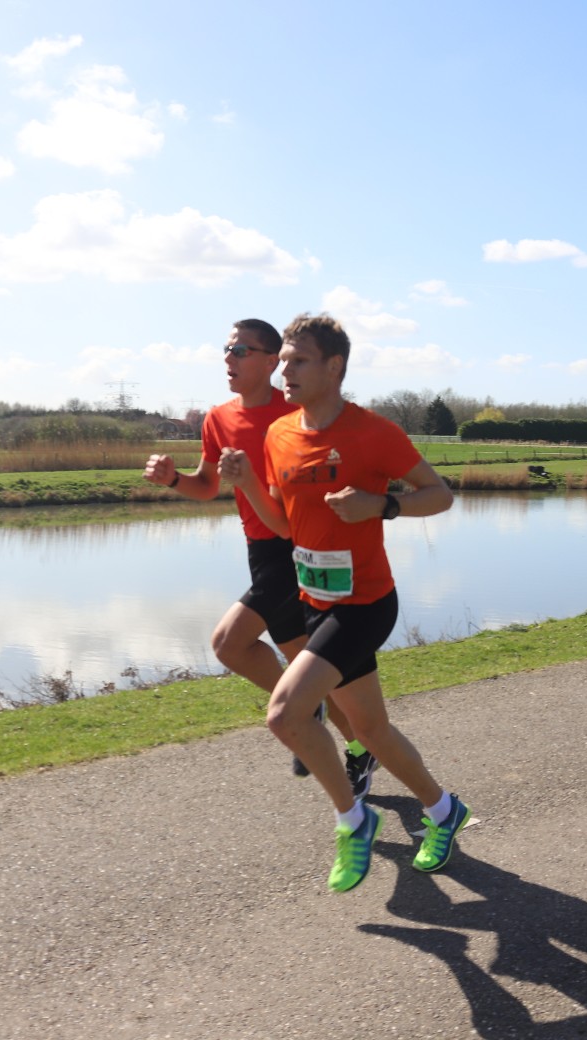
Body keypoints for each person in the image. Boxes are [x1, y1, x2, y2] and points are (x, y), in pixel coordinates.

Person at [220, 312, 469, 893]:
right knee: (371, 729)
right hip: (315, 599)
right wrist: (248, 483)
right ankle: (443, 810)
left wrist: (382, 505)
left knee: (285, 714)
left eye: (299, 360)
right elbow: (285, 525)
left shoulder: (373, 433)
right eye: (283, 360)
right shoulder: (281, 434)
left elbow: (440, 495)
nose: (286, 371)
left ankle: (353, 820)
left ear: (334, 366)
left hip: (365, 604)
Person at [143, 318, 379, 797]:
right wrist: (173, 479)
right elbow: (207, 485)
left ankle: (314, 715)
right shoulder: (218, 418)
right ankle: (355, 744)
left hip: (300, 549)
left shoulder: (294, 411)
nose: (228, 358)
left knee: (229, 643)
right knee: (311, 668)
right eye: (226, 348)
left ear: (272, 362)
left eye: (240, 350)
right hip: (260, 549)